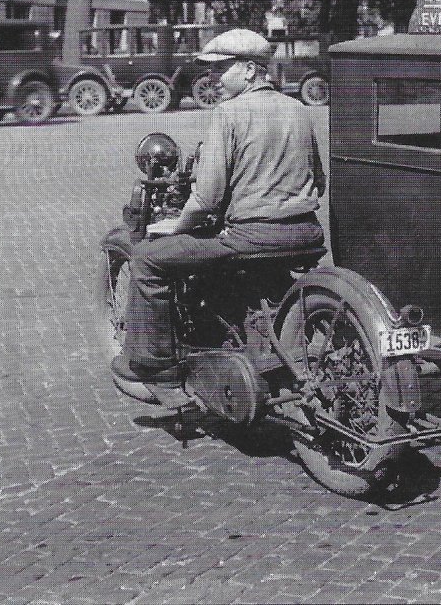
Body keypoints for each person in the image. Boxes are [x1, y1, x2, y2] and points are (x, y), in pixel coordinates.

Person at [111, 28, 325, 386]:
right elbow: (318, 179)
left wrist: (177, 224)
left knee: (147, 259)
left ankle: (154, 364)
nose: (211, 78)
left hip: (252, 239)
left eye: (221, 69)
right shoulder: (299, 109)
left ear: (250, 70)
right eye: (210, 71)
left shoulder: (229, 114)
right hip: (306, 234)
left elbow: (207, 198)